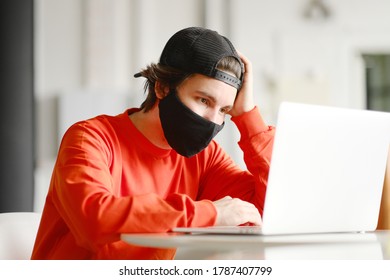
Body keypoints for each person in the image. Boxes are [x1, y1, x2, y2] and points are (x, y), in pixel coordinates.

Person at [31, 27, 275, 260]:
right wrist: (211, 213)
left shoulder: (205, 157)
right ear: (162, 87)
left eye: (224, 109)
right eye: (203, 100)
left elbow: (270, 213)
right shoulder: (91, 138)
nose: (213, 120)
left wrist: (248, 117)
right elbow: (94, 220)